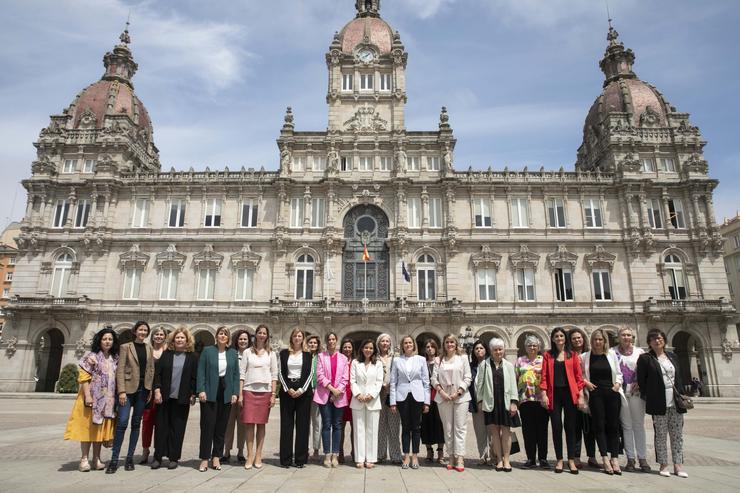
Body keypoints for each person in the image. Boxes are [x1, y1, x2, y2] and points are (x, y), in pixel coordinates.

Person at [64, 327, 119, 472]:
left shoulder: (115, 359)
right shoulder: (92, 357)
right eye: (105, 339)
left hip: (107, 401)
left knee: (99, 430)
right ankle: (84, 459)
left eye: (110, 339)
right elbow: (83, 378)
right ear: (99, 341)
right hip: (92, 400)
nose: (107, 342)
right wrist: (88, 396)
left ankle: (97, 458)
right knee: (88, 429)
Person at [637, 328, 689, 478]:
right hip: (658, 401)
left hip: (676, 400)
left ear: (664, 340)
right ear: (649, 343)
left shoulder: (673, 356)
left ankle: (678, 465)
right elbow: (642, 380)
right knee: (660, 434)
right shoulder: (646, 358)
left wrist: (682, 393)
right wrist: (650, 395)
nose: (657, 341)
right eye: (653, 339)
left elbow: (680, 376)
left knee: (677, 434)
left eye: (660, 338)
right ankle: (663, 464)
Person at [108, 321, 154, 473]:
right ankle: (114, 459)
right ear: (135, 331)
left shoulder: (149, 348)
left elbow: (150, 370)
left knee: (136, 424)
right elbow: (120, 370)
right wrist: (121, 391)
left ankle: (129, 458)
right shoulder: (125, 347)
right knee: (122, 422)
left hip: (143, 390)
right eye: (140, 330)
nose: (142, 332)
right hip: (127, 389)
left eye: (145, 330)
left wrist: (149, 389)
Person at [539, 327, 585, 474]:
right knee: (556, 427)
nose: (559, 338)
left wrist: (581, 395)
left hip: (570, 394)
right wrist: (544, 394)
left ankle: (571, 459)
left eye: (561, 336)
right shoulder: (548, 355)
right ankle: (559, 459)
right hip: (554, 394)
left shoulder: (572, 354)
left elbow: (579, 377)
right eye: (556, 336)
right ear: (552, 339)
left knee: (570, 427)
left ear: (565, 338)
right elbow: (544, 376)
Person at [151, 327, 198, 470]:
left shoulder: (192, 357)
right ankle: (158, 457)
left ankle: (173, 457)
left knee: (178, 428)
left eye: (182, 338)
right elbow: (157, 374)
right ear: (173, 340)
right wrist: (157, 390)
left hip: (182, 397)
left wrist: (192, 393)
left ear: (187, 340)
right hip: (164, 397)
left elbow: (194, 378)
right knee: (161, 427)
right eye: (177, 338)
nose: (179, 340)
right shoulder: (166, 354)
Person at [197, 327, 240, 472]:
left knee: (221, 426)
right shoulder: (208, 351)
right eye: (221, 333)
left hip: (226, 391)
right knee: (207, 425)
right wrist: (201, 389)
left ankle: (216, 456)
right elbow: (201, 371)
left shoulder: (233, 353)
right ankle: (204, 458)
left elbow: (235, 374)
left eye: (225, 334)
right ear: (216, 336)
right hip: (210, 391)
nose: (223, 336)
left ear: (229, 338)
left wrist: (235, 392)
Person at [581, 329, 624, 475]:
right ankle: (605, 458)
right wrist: (586, 382)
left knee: (613, 426)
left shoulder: (611, 355)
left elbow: (619, 373)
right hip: (595, 394)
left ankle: (615, 458)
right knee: (598, 426)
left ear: (605, 341)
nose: (598, 342)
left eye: (600, 339)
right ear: (591, 341)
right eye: (595, 339)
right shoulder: (585, 357)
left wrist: (617, 385)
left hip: (612, 393)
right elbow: (579, 375)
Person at [475, 337, 519, 472]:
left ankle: (507, 459)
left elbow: (513, 385)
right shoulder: (484, 365)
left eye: (500, 349)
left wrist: (514, 402)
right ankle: (499, 459)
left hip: (505, 402)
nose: (498, 352)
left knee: (506, 432)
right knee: (494, 433)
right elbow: (479, 385)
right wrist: (480, 401)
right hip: (490, 402)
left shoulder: (509, 365)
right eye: (495, 350)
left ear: (504, 350)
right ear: (491, 351)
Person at [239, 324, 278, 469]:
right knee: (249, 424)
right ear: (255, 335)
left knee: (261, 424)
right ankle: (249, 455)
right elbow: (242, 374)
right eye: (259, 332)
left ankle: (258, 455)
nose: (262, 335)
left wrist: (273, 394)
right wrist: (240, 393)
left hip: (265, 391)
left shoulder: (271, 354)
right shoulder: (247, 352)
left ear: (267, 336)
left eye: (264, 333)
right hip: (249, 390)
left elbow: (274, 375)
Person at [432, 334, 472, 472]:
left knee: (460, 428)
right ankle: (451, 456)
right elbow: (434, 379)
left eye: (452, 342)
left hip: (460, 397)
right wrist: (442, 392)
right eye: (447, 342)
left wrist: (458, 392)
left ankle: (460, 457)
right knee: (448, 429)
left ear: (456, 344)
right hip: (443, 397)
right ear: (444, 344)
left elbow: (468, 377)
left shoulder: (463, 358)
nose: (450, 344)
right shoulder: (438, 359)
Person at [390, 335, 430, 470]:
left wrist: (427, 402)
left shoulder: (421, 360)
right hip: (402, 396)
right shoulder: (396, 360)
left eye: (410, 342)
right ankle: (406, 455)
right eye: (405, 343)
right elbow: (393, 382)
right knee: (405, 427)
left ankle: (415, 455)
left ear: (413, 345)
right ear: (402, 345)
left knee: (416, 427)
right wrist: (392, 402)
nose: (408, 345)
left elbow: (426, 382)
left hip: (417, 396)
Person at [614, 327, 650, 472]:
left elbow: (646, 371)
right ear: (618, 337)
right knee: (626, 426)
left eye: (629, 335)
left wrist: (641, 383)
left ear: (633, 337)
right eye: (623, 335)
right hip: (621, 392)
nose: (626, 337)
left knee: (638, 425)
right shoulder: (612, 352)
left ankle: (642, 458)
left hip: (636, 392)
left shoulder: (640, 352)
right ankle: (630, 458)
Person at [278, 328, 314, 468]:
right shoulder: (283, 353)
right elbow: (280, 372)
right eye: (295, 336)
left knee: (302, 426)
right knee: (286, 426)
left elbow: (310, 374)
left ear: (303, 338)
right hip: (287, 389)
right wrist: (287, 389)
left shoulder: (307, 355)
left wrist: (301, 389)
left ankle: (300, 459)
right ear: (291, 338)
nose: (297, 338)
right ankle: (286, 459)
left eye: (300, 336)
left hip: (303, 392)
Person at [313, 332, 350, 468]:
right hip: (325, 395)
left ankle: (335, 454)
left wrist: (337, 391)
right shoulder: (321, 357)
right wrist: (332, 390)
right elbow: (320, 375)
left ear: (336, 341)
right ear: (326, 341)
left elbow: (345, 378)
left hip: (339, 396)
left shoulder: (343, 358)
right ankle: (327, 454)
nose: (331, 341)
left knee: (338, 425)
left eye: (334, 339)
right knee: (326, 424)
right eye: (329, 339)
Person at [515, 335, 549, 469]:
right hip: (525, 399)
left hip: (541, 398)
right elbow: (516, 378)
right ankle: (530, 458)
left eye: (535, 345)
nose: (532, 347)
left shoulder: (544, 360)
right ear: (526, 347)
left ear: (539, 347)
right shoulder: (520, 360)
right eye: (529, 345)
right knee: (528, 430)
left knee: (542, 429)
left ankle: (543, 458)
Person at [350, 338, 384, 468]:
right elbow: (352, 380)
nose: (368, 350)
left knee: (372, 430)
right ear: (362, 349)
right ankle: (359, 458)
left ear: (374, 350)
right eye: (366, 347)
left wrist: (371, 395)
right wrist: (358, 394)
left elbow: (379, 382)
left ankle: (370, 458)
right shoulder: (355, 362)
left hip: (373, 401)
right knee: (359, 430)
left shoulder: (378, 364)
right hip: (357, 400)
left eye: (371, 348)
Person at [569, 327, 597, 469]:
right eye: (574, 338)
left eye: (579, 338)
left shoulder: (591, 354)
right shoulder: (569, 355)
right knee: (576, 425)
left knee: (591, 425)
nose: (577, 340)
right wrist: (584, 382)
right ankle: (576, 456)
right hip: (575, 393)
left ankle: (592, 456)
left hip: (591, 393)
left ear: (584, 338)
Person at [139, 326, 167, 464]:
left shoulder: (168, 352)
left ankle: (159, 451)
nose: (159, 337)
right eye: (156, 334)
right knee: (147, 421)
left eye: (161, 334)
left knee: (161, 423)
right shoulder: (146, 350)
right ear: (152, 336)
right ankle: (145, 449)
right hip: (148, 390)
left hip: (163, 391)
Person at [223, 329, 251, 464]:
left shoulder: (251, 354)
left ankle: (240, 451)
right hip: (230, 392)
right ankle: (226, 451)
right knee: (228, 423)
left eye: (245, 339)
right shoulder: (231, 354)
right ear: (236, 340)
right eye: (240, 339)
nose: (243, 341)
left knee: (243, 424)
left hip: (246, 392)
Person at [376, 333, 402, 464]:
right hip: (378, 394)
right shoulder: (375, 358)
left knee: (394, 426)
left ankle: (396, 455)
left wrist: (391, 385)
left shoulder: (396, 358)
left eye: (387, 341)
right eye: (382, 341)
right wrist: (381, 385)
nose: (385, 343)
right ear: (378, 343)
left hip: (393, 395)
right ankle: (380, 454)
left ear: (390, 343)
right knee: (380, 426)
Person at [421, 339, 445, 464]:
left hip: (438, 396)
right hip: (425, 397)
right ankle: (429, 451)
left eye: (432, 346)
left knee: (440, 424)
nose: (429, 348)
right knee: (426, 424)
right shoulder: (422, 363)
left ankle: (440, 451)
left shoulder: (441, 362)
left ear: (436, 348)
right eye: (427, 346)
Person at [469, 339, 490, 465]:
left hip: (491, 403)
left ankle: (495, 455)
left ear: (486, 350)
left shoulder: (491, 364)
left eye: (481, 348)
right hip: (477, 403)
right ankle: (483, 455)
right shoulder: (472, 367)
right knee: (480, 431)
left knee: (492, 430)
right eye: (476, 349)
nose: (479, 350)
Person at [339, 338, 356, 463]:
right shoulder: (339, 360)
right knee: (341, 426)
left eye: (349, 347)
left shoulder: (356, 362)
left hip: (354, 397)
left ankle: (355, 451)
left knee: (355, 427)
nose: (347, 349)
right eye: (345, 347)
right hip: (341, 396)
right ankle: (340, 451)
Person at [306, 334, 322, 461]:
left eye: (315, 343)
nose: (312, 345)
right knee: (304, 422)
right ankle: (304, 448)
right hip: (305, 393)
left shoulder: (321, 358)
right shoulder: (303, 356)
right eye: (310, 342)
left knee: (317, 422)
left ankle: (316, 449)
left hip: (318, 392)